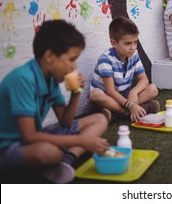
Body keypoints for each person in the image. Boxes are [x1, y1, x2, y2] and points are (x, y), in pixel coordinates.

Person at [0, 20, 110, 183]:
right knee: (49, 152)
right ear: (50, 56)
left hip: (36, 137)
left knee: (100, 118)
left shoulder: (50, 79)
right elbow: (29, 136)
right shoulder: (23, 79)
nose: (74, 67)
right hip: (9, 147)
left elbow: (65, 121)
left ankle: (68, 160)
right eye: (71, 59)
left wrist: (75, 93)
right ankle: (56, 161)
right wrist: (81, 140)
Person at [89, 16, 160, 122]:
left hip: (125, 95)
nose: (133, 47)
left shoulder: (134, 54)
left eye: (135, 42)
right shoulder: (106, 59)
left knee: (153, 89)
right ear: (114, 43)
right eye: (128, 43)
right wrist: (131, 105)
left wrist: (134, 92)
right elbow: (110, 91)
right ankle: (129, 111)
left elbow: (144, 79)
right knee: (95, 94)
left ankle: (114, 113)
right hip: (109, 97)